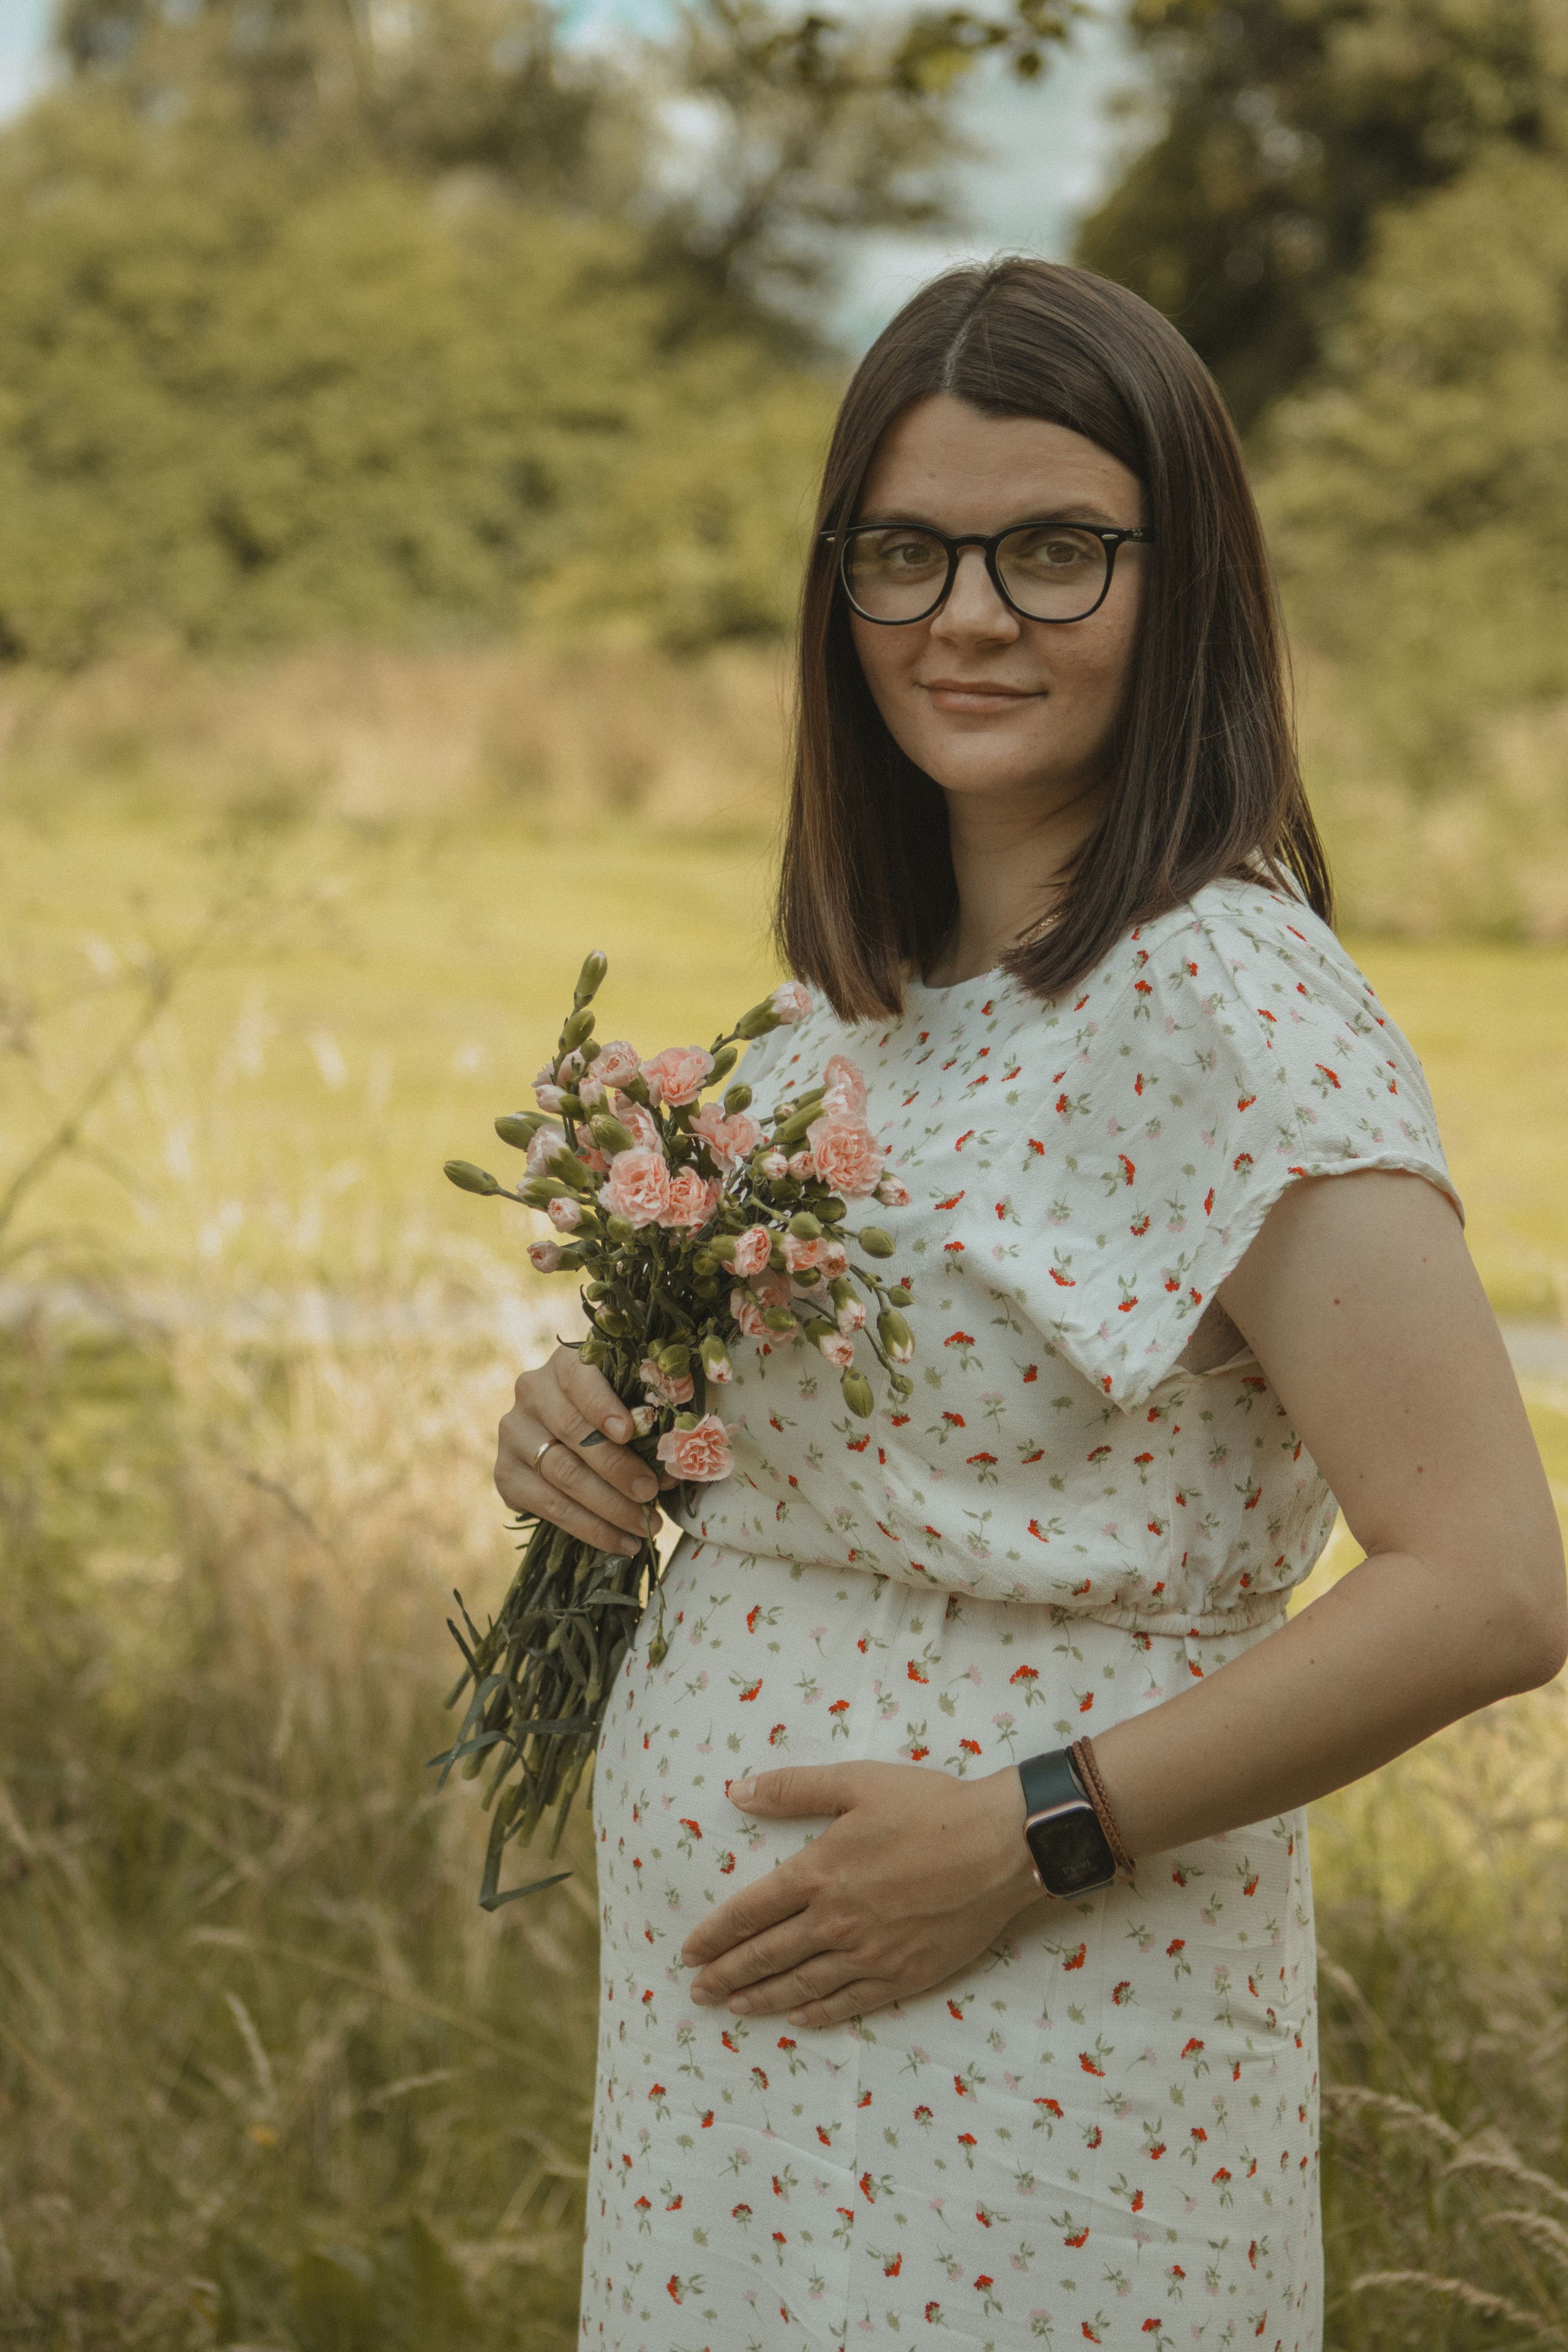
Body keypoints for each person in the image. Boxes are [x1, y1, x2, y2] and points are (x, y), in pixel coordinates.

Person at [494, 260, 1566, 2352]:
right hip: (751, 2061)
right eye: (905, 550)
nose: (968, 614)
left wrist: (1030, 1832)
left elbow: (1497, 1580)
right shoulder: (852, 1007)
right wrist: (590, 1421)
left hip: (1031, 2041)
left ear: (1187, 587)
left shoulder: (1227, 1005)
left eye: (1054, 551)